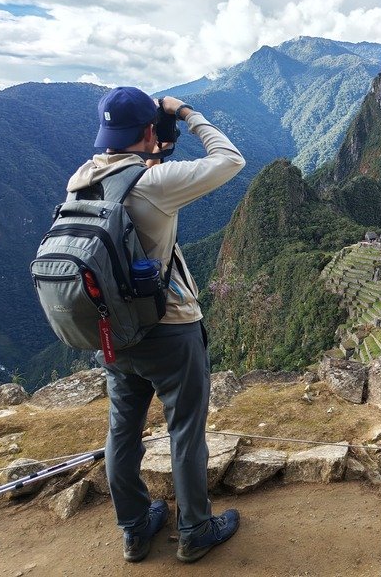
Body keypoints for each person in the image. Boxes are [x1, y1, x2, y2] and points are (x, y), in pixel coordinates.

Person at [66, 86, 246, 563]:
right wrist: (186, 113)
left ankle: (134, 527)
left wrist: (153, 148)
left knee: (122, 430)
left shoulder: (82, 178)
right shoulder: (156, 183)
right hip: (169, 329)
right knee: (185, 429)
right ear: (148, 130)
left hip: (112, 331)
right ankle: (195, 530)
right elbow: (230, 159)